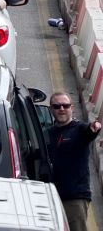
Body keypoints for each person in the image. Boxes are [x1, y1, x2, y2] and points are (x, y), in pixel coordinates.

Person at [46, 91, 102, 231]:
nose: (62, 109)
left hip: (75, 199)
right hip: (50, 198)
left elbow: (90, 131)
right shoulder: (48, 133)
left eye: (65, 105)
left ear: (72, 108)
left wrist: (95, 126)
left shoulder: (79, 129)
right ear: (51, 109)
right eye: (57, 106)